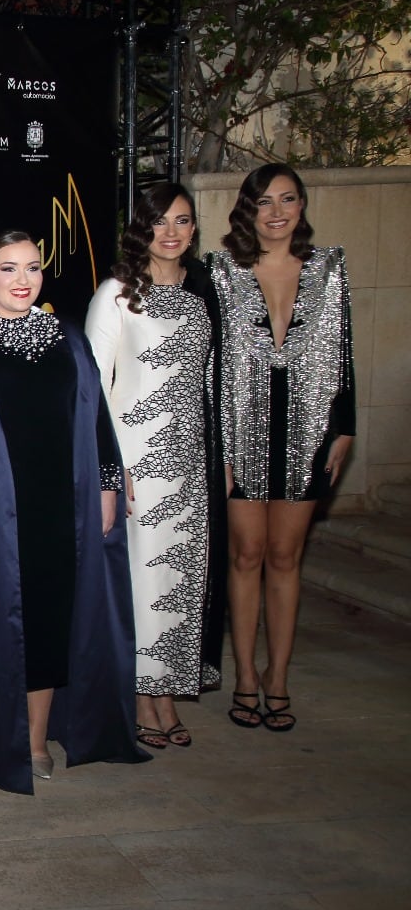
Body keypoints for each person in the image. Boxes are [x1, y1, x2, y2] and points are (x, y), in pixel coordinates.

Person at [0, 230, 144, 793]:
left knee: (48, 618)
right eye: (8, 268)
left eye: (33, 268)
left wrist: (108, 485)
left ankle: (37, 738)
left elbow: (95, 415)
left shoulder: (67, 336)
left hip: (60, 506)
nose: (23, 279)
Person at [208, 163, 354, 733]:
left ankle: (278, 678)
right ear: (248, 209)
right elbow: (209, 365)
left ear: (301, 207)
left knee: (286, 558)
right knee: (245, 556)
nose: (276, 212)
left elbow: (343, 351)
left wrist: (345, 427)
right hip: (240, 432)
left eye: (287, 200)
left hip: (310, 429)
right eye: (264, 201)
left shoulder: (329, 268)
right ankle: (244, 676)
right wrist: (215, 445)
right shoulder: (222, 272)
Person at [87, 184, 227, 750]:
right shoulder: (116, 293)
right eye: (159, 221)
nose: (171, 232)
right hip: (136, 460)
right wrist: (110, 470)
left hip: (190, 461)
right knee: (143, 578)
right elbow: (94, 388)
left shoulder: (199, 297)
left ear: (194, 230)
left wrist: (218, 461)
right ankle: (142, 695)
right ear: (139, 229)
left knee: (180, 579)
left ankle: (168, 688)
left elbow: (208, 386)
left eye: (183, 221)